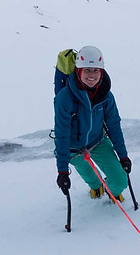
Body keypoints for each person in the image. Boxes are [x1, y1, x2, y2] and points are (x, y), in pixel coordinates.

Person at [54, 46, 131, 202]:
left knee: (120, 181)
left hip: (98, 141)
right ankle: (97, 187)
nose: (92, 75)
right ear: (78, 71)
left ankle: (110, 190)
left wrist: (123, 157)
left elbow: (114, 125)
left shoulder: (106, 96)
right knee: (91, 177)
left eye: (96, 70)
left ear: (101, 72)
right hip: (72, 148)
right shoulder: (65, 97)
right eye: (87, 70)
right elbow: (61, 133)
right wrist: (62, 171)